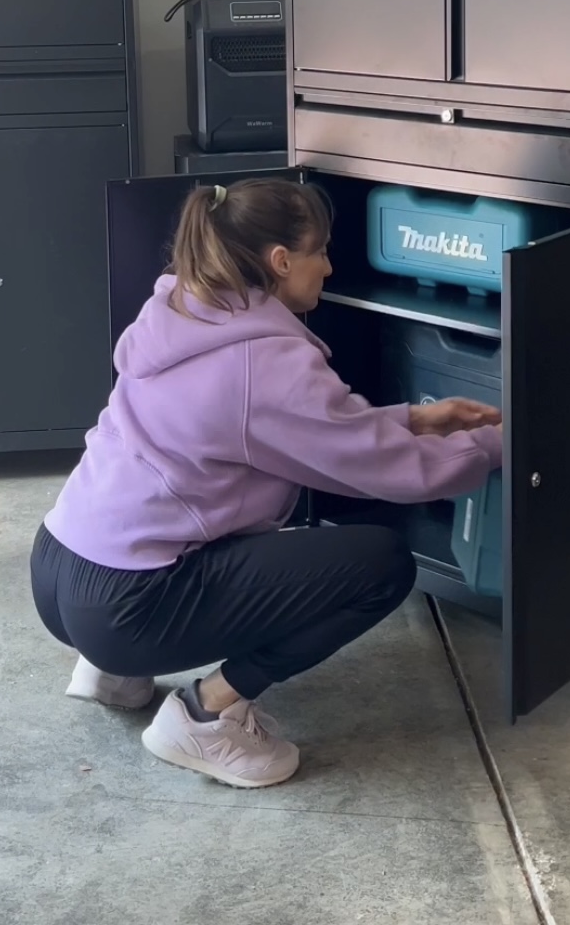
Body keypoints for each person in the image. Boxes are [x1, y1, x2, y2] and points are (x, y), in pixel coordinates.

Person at [30, 178, 502, 790]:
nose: (330, 267)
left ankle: (109, 673)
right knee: (380, 565)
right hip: (127, 607)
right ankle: (207, 712)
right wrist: (505, 442)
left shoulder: (177, 311)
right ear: (281, 261)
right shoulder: (266, 363)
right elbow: (398, 472)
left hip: (58, 569)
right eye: (322, 250)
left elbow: (284, 428)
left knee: (176, 514)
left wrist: (411, 418)